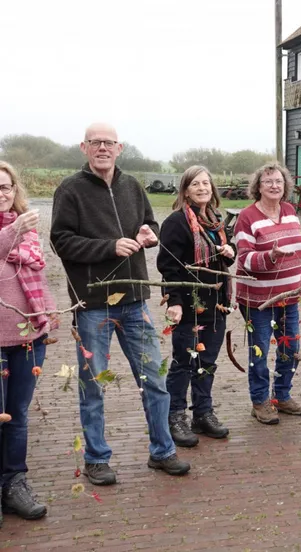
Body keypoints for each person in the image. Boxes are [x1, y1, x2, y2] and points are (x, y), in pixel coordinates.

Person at [51, 123, 190, 485]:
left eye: (108, 142)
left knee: (154, 379)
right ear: (84, 147)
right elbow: (60, 241)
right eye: (95, 142)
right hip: (93, 304)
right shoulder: (70, 189)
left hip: (135, 300)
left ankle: (162, 451)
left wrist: (147, 234)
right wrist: (109, 247)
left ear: (119, 148)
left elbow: (149, 224)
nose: (102, 148)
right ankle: (96, 458)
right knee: (94, 384)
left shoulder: (132, 186)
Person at [157, 166, 234, 448]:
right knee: (183, 363)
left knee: (207, 362)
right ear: (186, 190)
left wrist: (230, 251)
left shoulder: (215, 221)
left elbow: (227, 255)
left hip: (217, 304)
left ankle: (202, 413)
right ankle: (175, 416)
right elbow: (168, 267)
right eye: (195, 184)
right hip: (189, 305)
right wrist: (174, 301)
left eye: (206, 183)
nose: (202, 188)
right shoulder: (176, 223)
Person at [0, 162, 55, 524]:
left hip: (28, 339)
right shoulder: (16, 230)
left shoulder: (25, 230)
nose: (1, 194)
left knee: (18, 415)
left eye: (5, 187)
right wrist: (13, 232)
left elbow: (37, 276)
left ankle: (14, 484)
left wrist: (46, 317)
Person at [235, 162, 301, 424]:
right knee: (260, 351)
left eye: (278, 181)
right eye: (268, 182)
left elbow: (299, 249)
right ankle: (260, 401)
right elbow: (244, 258)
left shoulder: (289, 211)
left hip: (289, 298)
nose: (274, 186)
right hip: (259, 301)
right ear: (258, 186)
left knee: (290, 347)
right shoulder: (247, 217)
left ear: (285, 185)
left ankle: (282, 396)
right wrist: (271, 256)